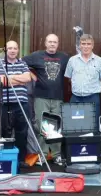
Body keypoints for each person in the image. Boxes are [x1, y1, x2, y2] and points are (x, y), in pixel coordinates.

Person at [23, 33, 69, 165]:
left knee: (56, 127)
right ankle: (42, 155)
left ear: (58, 43)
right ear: (45, 43)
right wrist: (31, 74)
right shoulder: (37, 55)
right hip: (41, 97)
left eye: (55, 42)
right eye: (50, 42)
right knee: (41, 125)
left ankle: (56, 155)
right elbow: (21, 62)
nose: (52, 44)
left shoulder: (64, 57)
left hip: (57, 97)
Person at [0, 40, 31, 168]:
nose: (12, 50)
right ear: (5, 50)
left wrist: (10, 77)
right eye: (10, 48)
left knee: (22, 132)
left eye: (15, 48)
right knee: (6, 132)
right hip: (6, 103)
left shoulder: (23, 63)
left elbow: (27, 78)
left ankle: (20, 160)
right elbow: (2, 82)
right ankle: (5, 158)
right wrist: (18, 78)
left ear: (18, 50)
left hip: (22, 102)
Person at [64, 34, 101, 128]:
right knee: (74, 126)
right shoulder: (72, 60)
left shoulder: (100, 61)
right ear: (79, 45)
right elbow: (69, 78)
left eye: (88, 44)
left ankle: (92, 143)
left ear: (92, 45)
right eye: (83, 43)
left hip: (92, 98)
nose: (86, 46)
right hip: (76, 98)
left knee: (92, 126)